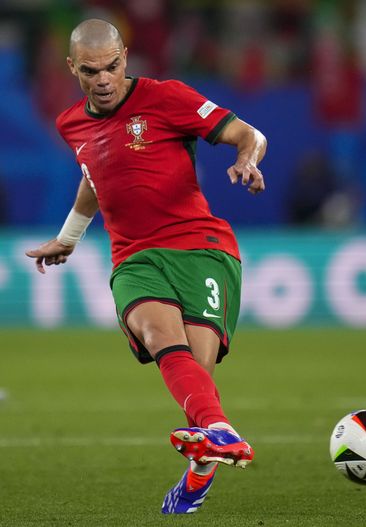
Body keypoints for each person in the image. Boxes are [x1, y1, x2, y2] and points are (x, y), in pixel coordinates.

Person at [25, 19, 267, 515]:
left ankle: (203, 463)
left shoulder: (167, 97)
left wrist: (248, 160)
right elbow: (95, 177)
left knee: (196, 384)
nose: (104, 79)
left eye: (112, 66)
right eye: (90, 71)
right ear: (73, 68)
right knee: (162, 341)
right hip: (134, 257)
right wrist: (69, 238)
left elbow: (249, 134)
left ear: (126, 57)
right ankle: (222, 434)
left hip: (202, 247)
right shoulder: (70, 123)